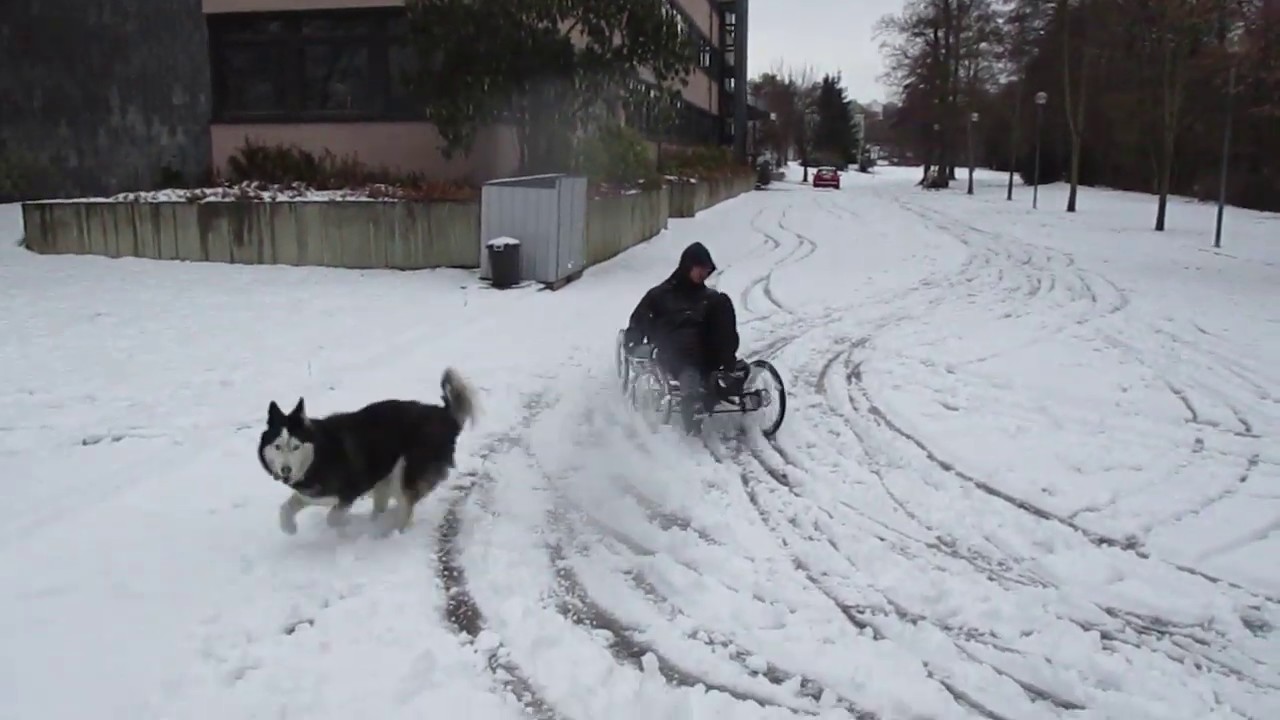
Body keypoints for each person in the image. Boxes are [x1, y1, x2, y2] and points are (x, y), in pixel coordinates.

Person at [624, 242, 741, 433]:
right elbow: (641, 318)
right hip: (675, 352)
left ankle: (727, 374)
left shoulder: (709, 298)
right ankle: (691, 399)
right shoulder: (661, 295)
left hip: (707, 351)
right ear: (687, 266)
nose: (703, 274)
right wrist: (633, 339)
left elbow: (722, 331)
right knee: (686, 346)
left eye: (706, 270)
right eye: (699, 269)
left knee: (722, 303)